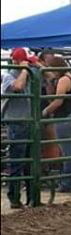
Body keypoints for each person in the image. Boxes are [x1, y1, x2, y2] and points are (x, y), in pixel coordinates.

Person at [1, 48, 38, 207]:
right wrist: (24, 70)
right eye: (24, 61)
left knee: (30, 162)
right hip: (16, 123)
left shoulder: (29, 74)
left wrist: (37, 65)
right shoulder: (8, 76)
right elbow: (18, 86)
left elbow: (49, 76)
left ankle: (32, 198)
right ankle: (14, 197)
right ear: (16, 62)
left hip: (28, 122)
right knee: (17, 162)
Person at [41, 58, 71, 193]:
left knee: (67, 153)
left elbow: (58, 101)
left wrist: (45, 111)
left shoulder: (63, 80)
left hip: (64, 118)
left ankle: (66, 184)